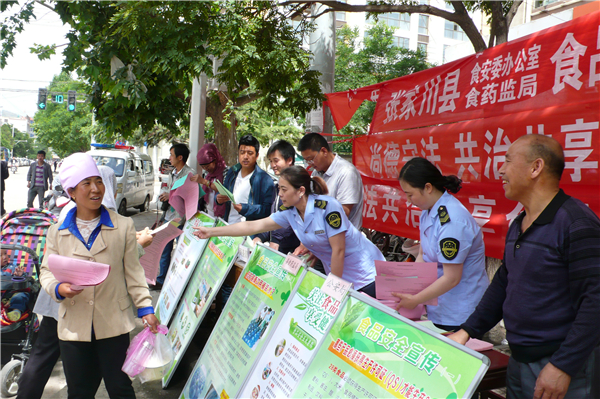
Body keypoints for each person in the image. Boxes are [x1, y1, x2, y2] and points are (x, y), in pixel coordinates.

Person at [449, 135, 600, 399]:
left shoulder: (576, 223)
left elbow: (596, 300)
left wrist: (563, 365)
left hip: (559, 365)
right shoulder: (519, 223)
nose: (501, 169)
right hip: (519, 360)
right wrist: (467, 331)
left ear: (536, 167)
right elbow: (504, 284)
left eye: (508, 160)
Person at [39, 152, 158, 399]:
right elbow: (47, 271)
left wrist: (146, 308)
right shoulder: (56, 232)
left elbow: (134, 273)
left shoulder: (123, 226)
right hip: (73, 323)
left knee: (120, 388)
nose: (96, 189)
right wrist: (59, 288)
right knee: (79, 391)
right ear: (71, 191)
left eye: (99, 181)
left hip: (113, 323)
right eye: (87, 183)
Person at [193, 165, 383, 297]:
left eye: (284, 189)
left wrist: (333, 289)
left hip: (366, 275)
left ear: (300, 191)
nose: (280, 194)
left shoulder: (328, 207)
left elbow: (339, 250)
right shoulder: (290, 213)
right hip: (339, 277)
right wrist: (211, 232)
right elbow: (253, 226)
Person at [391, 157, 489, 332]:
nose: (409, 200)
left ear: (428, 188)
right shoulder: (428, 211)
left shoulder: (452, 221)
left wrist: (415, 299)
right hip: (439, 304)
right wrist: (409, 286)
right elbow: (423, 255)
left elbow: (452, 277)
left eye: (410, 194)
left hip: (459, 311)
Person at [297, 132, 364, 229]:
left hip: (344, 239)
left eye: (311, 159)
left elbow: (343, 212)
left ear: (324, 151)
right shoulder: (317, 173)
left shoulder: (346, 172)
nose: (309, 164)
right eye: (306, 161)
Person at [154, 143, 194, 289]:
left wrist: (170, 195)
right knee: (164, 248)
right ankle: (161, 280)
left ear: (180, 157)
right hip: (169, 216)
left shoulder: (190, 174)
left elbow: (190, 197)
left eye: (172, 155)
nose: (169, 158)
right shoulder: (173, 173)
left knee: (182, 252)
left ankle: (180, 285)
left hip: (180, 218)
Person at [253, 140, 301, 254]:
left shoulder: (298, 186)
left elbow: (294, 221)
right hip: (277, 250)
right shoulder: (277, 186)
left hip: (293, 253)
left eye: (276, 161)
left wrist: (276, 240)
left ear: (289, 160)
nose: (272, 165)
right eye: (270, 161)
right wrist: (261, 236)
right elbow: (274, 218)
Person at [218, 134, 274, 225]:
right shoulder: (232, 173)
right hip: (228, 228)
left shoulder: (265, 180)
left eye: (250, 153)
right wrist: (218, 198)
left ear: (257, 155)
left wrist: (245, 209)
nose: (245, 157)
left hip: (248, 232)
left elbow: (267, 210)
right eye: (242, 152)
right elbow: (223, 191)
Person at [191, 143, 227, 218]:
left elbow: (225, 191)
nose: (205, 168)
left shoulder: (226, 172)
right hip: (208, 214)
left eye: (207, 166)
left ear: (215, 159)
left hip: (222, 216)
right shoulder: (207, 174)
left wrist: (205, 182)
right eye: (202, 166)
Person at [1, 248, 30, 323]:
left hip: (12, 294)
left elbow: (26, 280)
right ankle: (3, 312)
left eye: (5, 253)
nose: (4, 257)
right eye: (0, 255)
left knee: (21, 296)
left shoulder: (12, 267)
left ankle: (16, 312)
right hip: (1, 297)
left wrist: (20, 276)